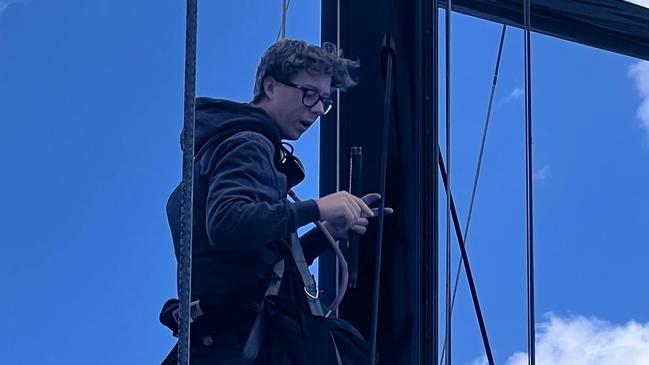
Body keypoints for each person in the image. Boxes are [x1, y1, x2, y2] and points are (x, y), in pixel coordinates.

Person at [160, 39, 391, 364]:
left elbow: (256, 266)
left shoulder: (218, 151)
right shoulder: (249, 144)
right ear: (270, 86)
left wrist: (324, 233)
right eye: (309, 94)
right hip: (256, 345)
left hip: (224, 343)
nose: (316, 109)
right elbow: (228, 223)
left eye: (324, 101)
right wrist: (318, 208)